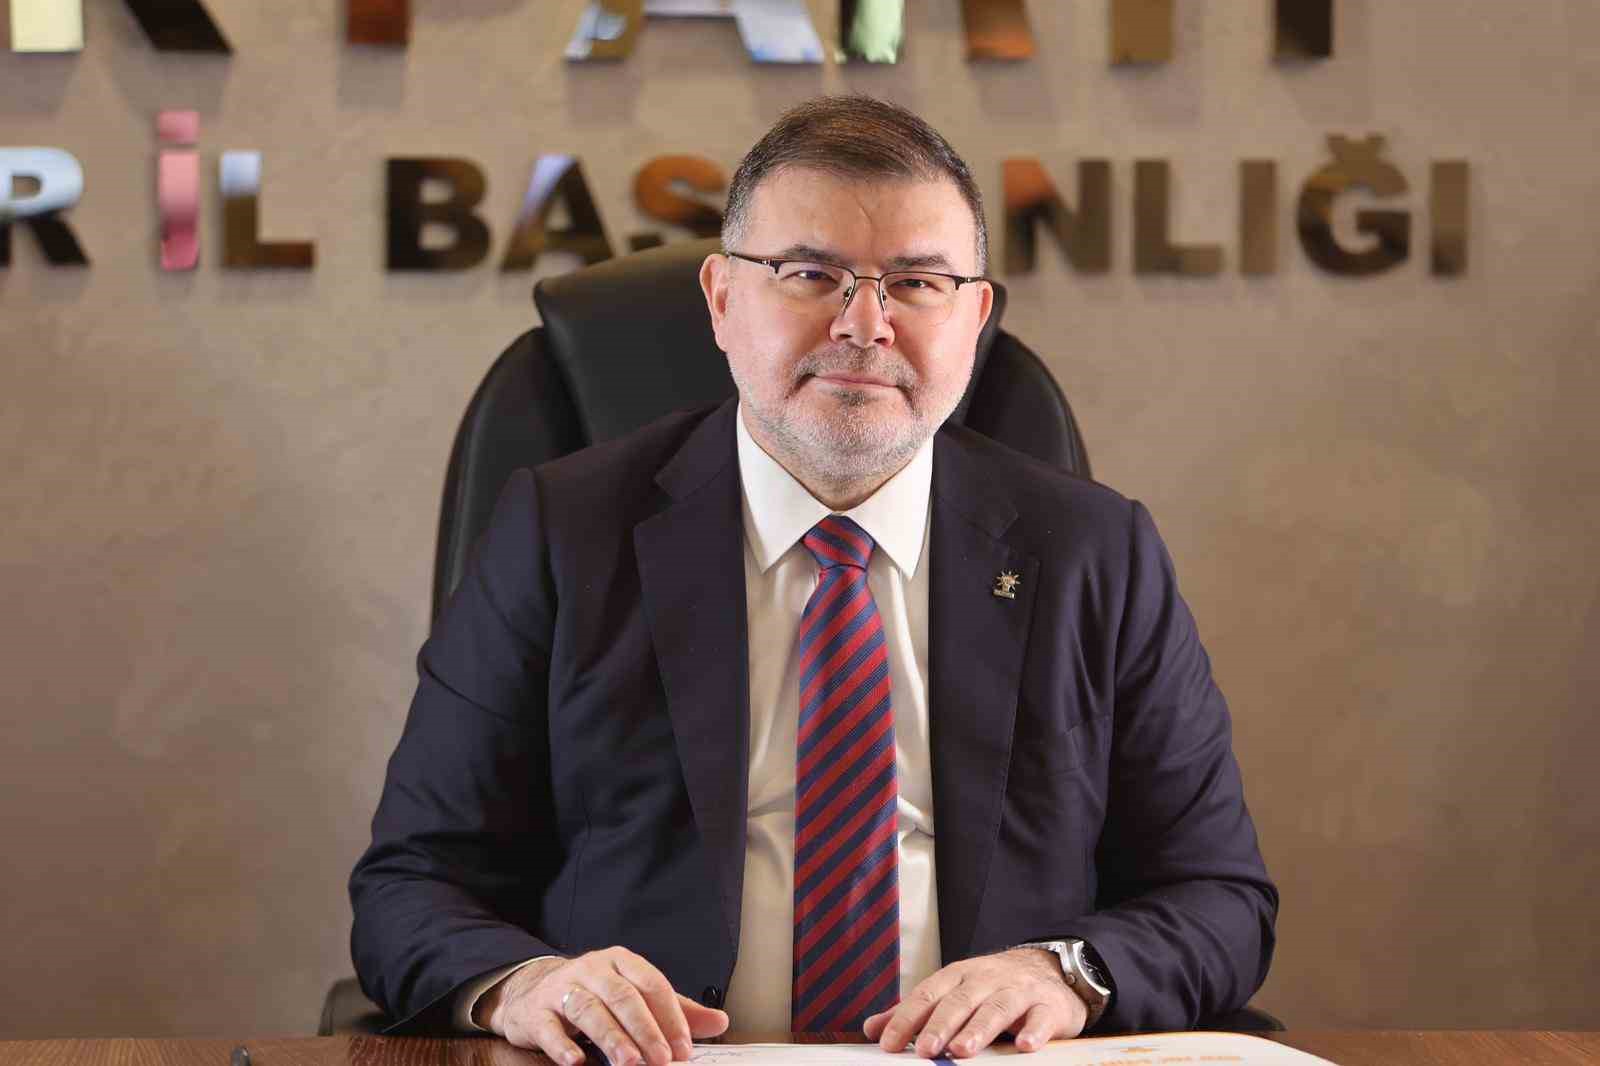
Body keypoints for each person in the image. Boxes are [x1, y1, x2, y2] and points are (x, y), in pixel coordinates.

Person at [349, 95, 1277, 1062]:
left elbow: (1218, 897)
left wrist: (1064, 972)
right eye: (810, 275)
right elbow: (411, 885)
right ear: (721, 300)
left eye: (918, 283)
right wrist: (527, 984)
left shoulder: (1096, 552)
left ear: (974, 316)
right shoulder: (563, 532)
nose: (865, 325)